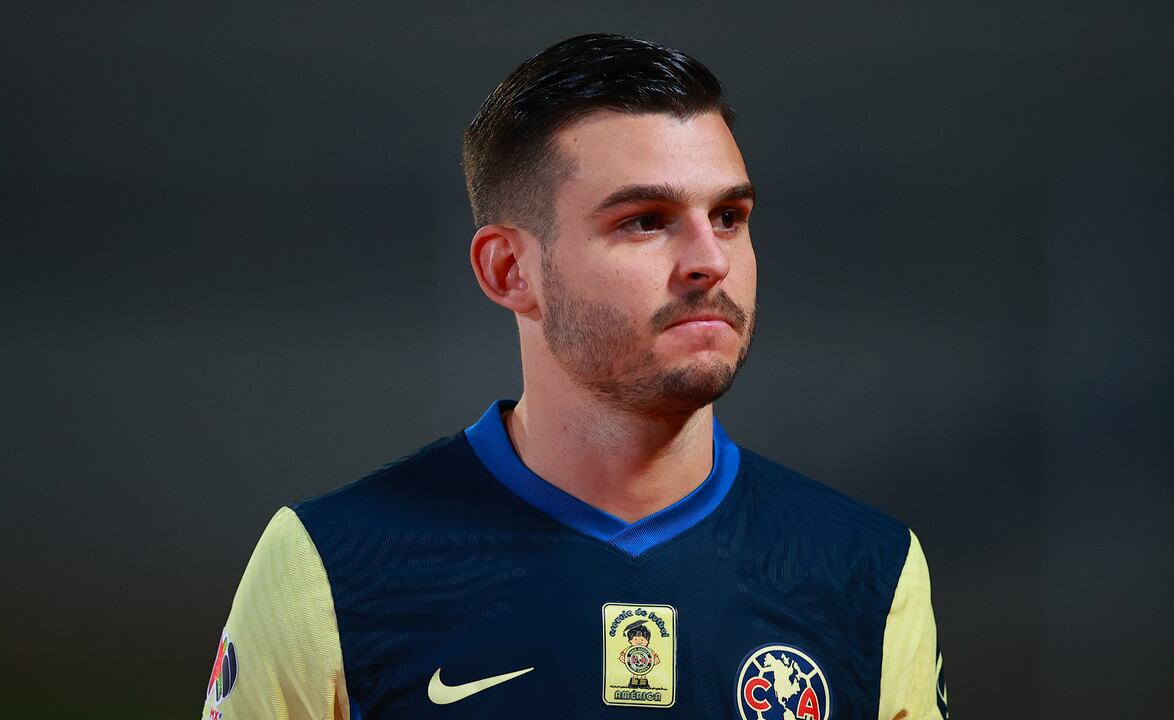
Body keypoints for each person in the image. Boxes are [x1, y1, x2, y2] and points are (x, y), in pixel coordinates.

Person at [200, 33, 948, 720]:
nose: (710, 260)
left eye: (728, 215)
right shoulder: (330, 567)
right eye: (645, 219)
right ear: (510, 270)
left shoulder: (868, 572)